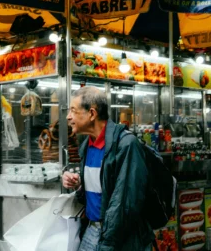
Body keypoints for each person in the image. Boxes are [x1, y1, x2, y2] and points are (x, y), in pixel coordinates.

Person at [63, 86, 154, 251]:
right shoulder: (86, 145)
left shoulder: (126, 145)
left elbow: (125, 204)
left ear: (92, 113)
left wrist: (106, 244)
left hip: (119, 238)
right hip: (93, 231)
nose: (68, 117)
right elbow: (101, 193)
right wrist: (79, 185)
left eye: (73, 111)